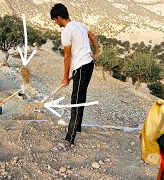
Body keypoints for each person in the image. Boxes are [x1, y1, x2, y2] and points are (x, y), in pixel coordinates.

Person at [50, 3, 98, 145]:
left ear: (59, 18)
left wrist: (65, 77)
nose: (55, 23)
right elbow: (93, 37)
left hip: (81, 67)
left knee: (76, 100)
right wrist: (96, 52)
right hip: (89, 64)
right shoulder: (79, 25)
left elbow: (67, 56)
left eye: (54, 20)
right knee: (81, 96)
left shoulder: (66, 31)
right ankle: (77, 127)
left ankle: (69, 138)